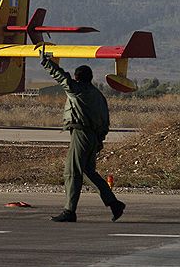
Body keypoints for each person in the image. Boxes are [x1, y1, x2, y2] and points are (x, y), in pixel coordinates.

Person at [40, 49, 126, 222]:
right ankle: (114, 203)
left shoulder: (77, 90)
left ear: (77, 77)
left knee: (72, 172)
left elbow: (62, 77)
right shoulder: (99, 96)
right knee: (89, 172)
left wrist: (46, 62)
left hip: (81, 134)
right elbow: (105, 120)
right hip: (94, 137)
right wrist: (99, 140)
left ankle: (69, 211)